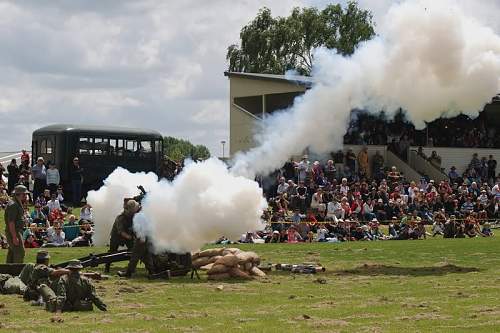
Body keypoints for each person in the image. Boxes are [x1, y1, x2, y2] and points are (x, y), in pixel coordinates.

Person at [39, 259, 107, 312]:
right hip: (81, 306)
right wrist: (102, 307)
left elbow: (62, 296)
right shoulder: (86, 280)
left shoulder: (63, 279)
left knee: (43, 287)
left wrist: (58, 310)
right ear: (80, 269)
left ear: (69, 268)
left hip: (66, 307)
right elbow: (93, 296)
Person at [106, 200, 140, 273]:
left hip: (128, 235)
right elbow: (120, 231)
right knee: (112, 253)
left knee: (133, 251)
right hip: (117, 237)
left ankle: (131, 268)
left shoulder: (133, 215)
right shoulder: (120, 217)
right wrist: (130, 237)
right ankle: (107, 267)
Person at [4, 185, 28, 263]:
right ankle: (17, 272)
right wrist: (14, 237)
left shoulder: (17, 202)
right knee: (20, 252)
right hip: (14, 231)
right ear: (19, 194)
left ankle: (7, 272)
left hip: (16, 231)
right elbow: (11, 222)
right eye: (24, 194)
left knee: (12, 253)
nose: (26, 196)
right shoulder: (13, 205)